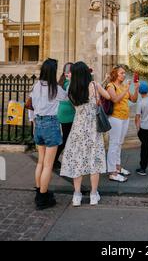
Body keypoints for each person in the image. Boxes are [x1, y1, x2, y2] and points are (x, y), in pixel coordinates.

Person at [60, 62, 110, 207]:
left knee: (77, 160)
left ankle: (77, 195)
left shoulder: (71, 89)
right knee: (94, 160)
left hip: (78, 128)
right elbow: (107, 96)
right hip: (93, 128)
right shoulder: (94, 85)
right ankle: (94, 194)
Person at [31, 58, 68, 210]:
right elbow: (67, 97)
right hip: (50, 124)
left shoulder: (36, 85)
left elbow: (33, 104)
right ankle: (42, 198)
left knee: (40, 162)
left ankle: (39, 190)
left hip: (38, 124)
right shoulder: (55, 89)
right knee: (48, 164)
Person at [107, 65, 139, 182]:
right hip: (115, 118)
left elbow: (134, 99)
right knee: (114, 143)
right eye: (122, 73)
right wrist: (126, 89)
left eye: (125, 73)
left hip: (125, 118)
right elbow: (114, 99)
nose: (124, 75)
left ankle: (118, 167)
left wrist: (135, 89)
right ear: (115, 74)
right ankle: (112, 171)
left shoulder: (124, 86)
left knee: (119, 143)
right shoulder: (111, 86)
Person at [54, 62, 75, 170]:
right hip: (69, 112)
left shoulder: (61, 82)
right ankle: (55, 160)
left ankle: (55, 159)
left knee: (66, 137)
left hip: (62, 111)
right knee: (67, 138)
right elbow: (72, 100)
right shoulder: (69, 83)